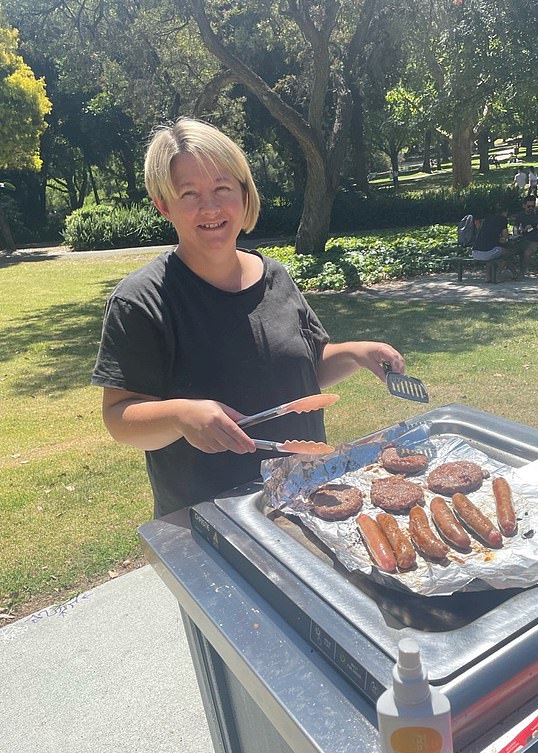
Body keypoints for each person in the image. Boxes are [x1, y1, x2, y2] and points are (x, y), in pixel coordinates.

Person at [92, 117, 406, 518]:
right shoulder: (141, 300)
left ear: (244, 193)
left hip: (305, 500)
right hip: (210, 520)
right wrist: (181, 415)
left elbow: (302, 372)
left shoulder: (274, 276)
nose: (210, 207)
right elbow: (119, 416)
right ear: (163, 204)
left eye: (222, 188)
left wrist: (356, 353)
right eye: (189, 193)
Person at [471, 203, 517, 282]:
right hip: (487, 252)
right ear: (506, 212)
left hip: (475, 252)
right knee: (508, 253)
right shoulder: (502, 219)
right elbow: (506, 237)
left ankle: (488, 277)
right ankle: (497, 274)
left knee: (492, 254)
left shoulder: (487, 219)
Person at [513, 194, 538, 276]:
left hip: (533, 241)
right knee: (509, 252)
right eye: (529, 206)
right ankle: (512, 272)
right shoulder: (520, 216)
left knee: (527, 252)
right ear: (524, 206)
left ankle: (523, 271)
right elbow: (515, 230)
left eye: (533, 206)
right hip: (521, 239)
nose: (531, 208)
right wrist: (523, 230)